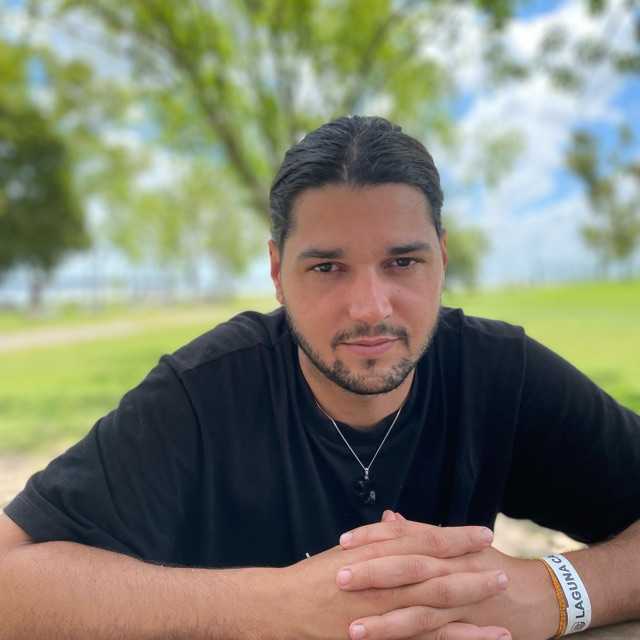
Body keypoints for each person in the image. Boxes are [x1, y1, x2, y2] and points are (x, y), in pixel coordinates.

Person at [1, 115, 639, 640]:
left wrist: (556, 592)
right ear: (277, 273)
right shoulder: (203, 391)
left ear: (442, 259)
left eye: (402, 262)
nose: (370, 308)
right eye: (327, 268)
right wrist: (272, 607)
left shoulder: (498, 372)